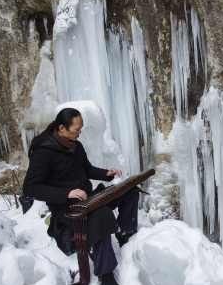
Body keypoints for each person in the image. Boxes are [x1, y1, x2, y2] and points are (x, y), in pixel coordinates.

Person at [22, 108, 138, 285]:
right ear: (62, 128)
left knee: (129, 190)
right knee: (102, 215)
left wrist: (107, 173)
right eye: (76, 129)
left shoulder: (75, 145)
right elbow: (30, 187)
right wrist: (66, 193)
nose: (80, 133)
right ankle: (105, 273)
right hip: (66, 208)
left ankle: (126, 235)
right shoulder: (43, 152)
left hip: (89, 198)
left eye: (81, 128)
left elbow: (87, 169)